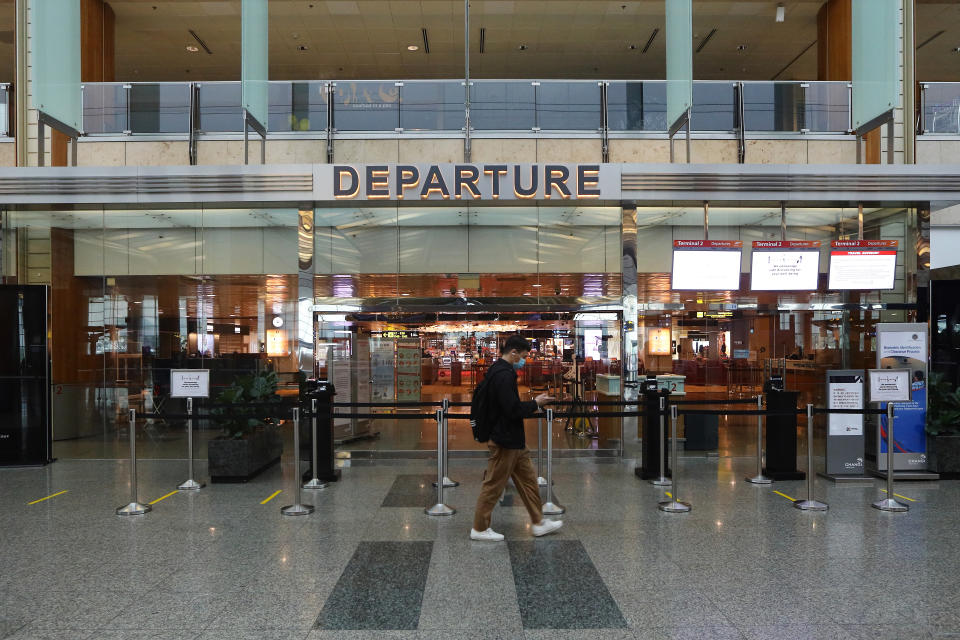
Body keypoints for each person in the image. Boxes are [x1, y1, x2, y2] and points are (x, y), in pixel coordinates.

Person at [471, 335, 563, 542]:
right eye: (522, 356)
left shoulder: (497, 370)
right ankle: (479, 527)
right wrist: (536, 403)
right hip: (504, 440)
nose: (524, 361)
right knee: (493, 485)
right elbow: (511, 409)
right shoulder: (504, 375)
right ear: (513, 353)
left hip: (514, 440)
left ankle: (538, 522)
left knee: (529, 481)